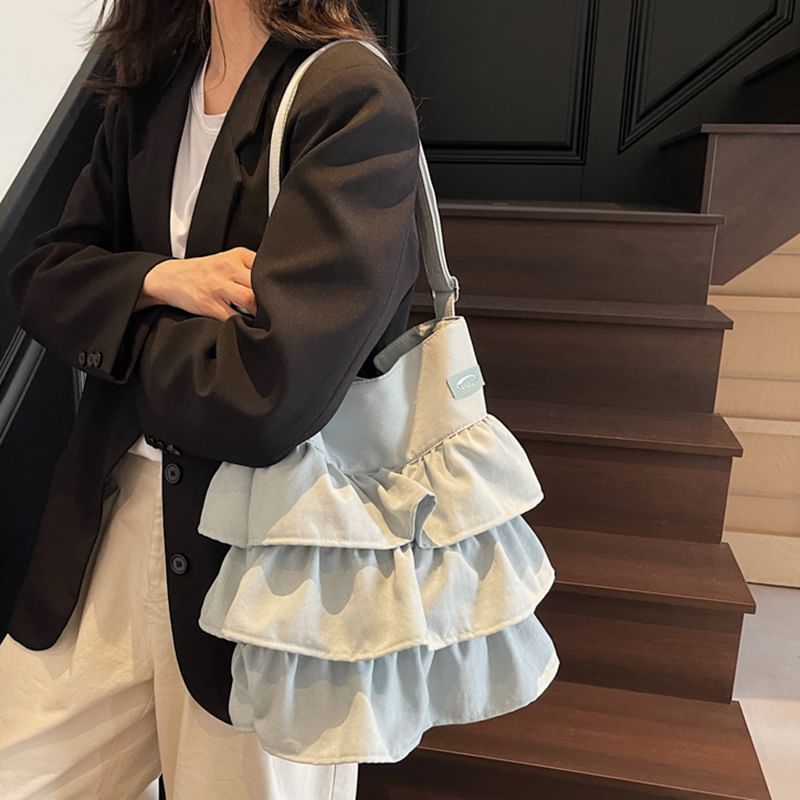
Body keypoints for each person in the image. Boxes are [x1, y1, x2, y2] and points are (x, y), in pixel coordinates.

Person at [0, 0, 422, 796]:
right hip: (107, 532)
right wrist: (160, 280)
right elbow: (42, 280)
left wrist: (117, 325)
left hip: (275, 563)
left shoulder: (349, 96)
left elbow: (264, 395)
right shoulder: (153, 90)